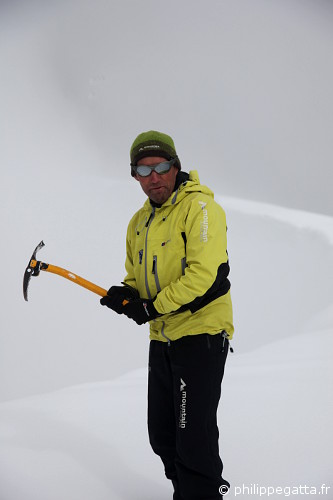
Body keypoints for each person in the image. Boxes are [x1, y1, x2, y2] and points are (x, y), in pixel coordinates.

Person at [100, 130, 234, 500]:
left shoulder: (202, 210)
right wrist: (127, 295)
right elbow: (137, 278)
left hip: (200, 334)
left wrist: (152, 306)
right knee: (163, 436)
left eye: (160, 166)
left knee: (194, 440)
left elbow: (203, 276)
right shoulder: (139, 222)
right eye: (143, 170)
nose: (153, 177)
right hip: (162, 337)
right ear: (134, 176)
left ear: (175, 166)